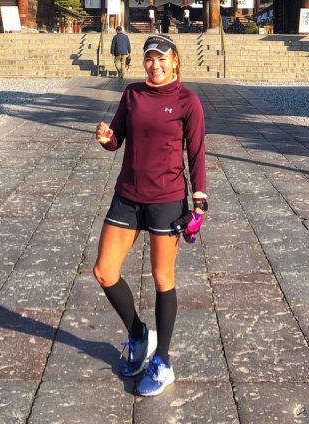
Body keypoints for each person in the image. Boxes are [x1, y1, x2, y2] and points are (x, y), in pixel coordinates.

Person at [93, 34, 207, 397]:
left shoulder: (188, 101)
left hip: (167, 198)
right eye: (149, 59)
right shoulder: (132, 94)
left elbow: (197, 153)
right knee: (104, 271)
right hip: (127, 194)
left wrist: (199, 200)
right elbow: (117, 139)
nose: (154, 65)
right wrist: (106, 138)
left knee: (162, 278)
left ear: (175, 60)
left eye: (162, 59)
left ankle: (163, 361)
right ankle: (138, 333)